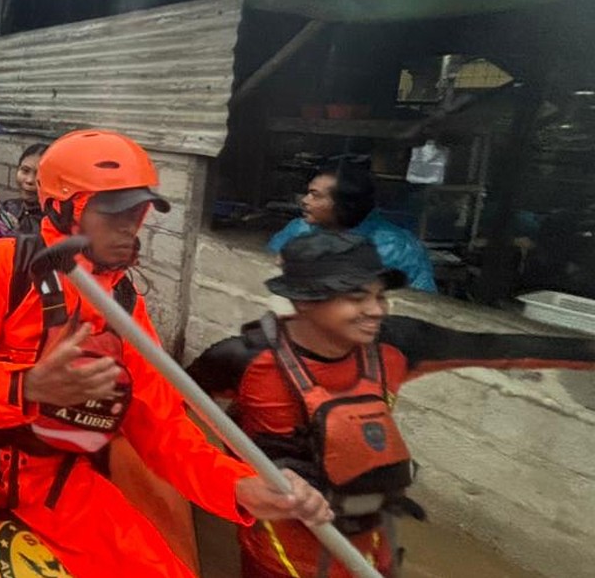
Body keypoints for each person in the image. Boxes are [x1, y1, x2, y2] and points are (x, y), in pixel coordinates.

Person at [0, 129, 332, 577]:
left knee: (154, 567)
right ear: (65, 208)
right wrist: (28, 385)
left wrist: (239, 488)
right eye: (114, 213)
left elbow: (162, 427)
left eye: (137, 213)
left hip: (46, 463)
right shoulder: (3, 266)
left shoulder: (123, 304)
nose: (130, 229)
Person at [190, 231, 595, 577]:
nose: (375, 310)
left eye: (379, 296)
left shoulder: (397, 342)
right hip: (280, 548)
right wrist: (230, 484)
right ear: (304, 302)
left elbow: (497, 348)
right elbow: (172, 414)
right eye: (356, 297)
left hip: (370, 533)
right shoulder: (242, 359)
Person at [268, 159, 437, 292]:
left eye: (315, 196)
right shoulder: (298, 229)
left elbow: (423, 303)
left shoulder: (398, 247)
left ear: (344, 204)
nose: (305, 201)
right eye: (308, 193)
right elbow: (269, 271)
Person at [3, 142, 50, 233]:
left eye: (39, 175)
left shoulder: (54, 223)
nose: (30, 180)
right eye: (25, 171)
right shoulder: (8, 208)